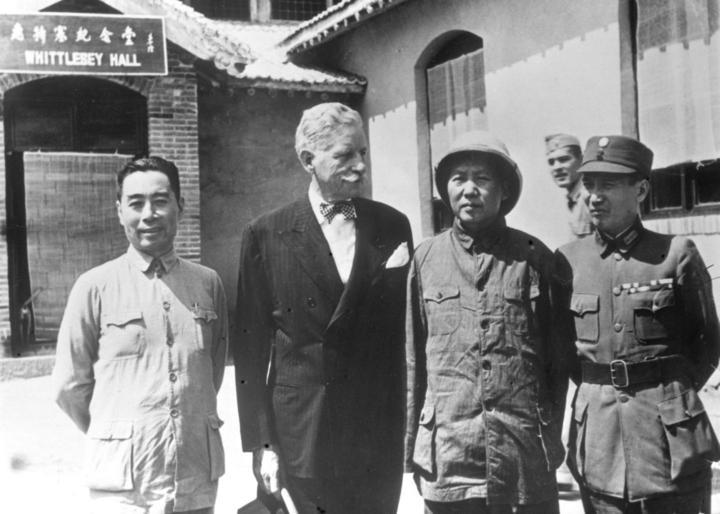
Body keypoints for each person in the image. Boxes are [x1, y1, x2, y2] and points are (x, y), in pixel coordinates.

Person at [233, 102, 413, 514]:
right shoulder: (266, 234)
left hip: (375, 434)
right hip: (304, 434)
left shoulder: (392, 225)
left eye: (362, 153)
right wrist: (261, 444)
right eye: (345, 155)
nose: (360, 166)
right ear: (307, 160)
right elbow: (249, 352)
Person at [52, 156, 228, 514]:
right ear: (120, 211)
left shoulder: (208, 283)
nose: (149, 214)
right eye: (136, 203)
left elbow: (211, 374)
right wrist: (115, 435)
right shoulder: (94, 286)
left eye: (160, 201)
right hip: (124, 486)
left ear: (181, 206)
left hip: (194, 477)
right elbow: (69, 387)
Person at [554, 135, 720, 514]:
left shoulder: (675, 254)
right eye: (589, 184)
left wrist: (668, 393)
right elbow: (564, 353)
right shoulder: (567, 261)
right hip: (599, 444)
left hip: (670, 443)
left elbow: (708, 342)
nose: (594, 196)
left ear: (641, 190)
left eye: (609, 185)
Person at [405, 131, 568, 514]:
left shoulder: (535, 258)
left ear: (504, 189)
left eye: (482, 179)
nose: (469, 190)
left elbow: (558, 364)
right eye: (458, 178)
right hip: (450, 458)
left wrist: (547, 434)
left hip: (523, 455)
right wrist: (414, 448)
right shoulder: (426, 260)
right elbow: (413, 363)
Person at [545, 133, 593, 239]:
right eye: (551, 162)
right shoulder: (575, 198)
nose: (556, 167)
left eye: (564, 159)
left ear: (582, 160)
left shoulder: (589, 196)